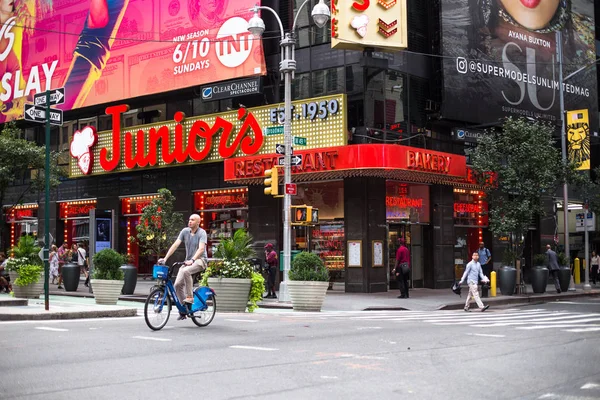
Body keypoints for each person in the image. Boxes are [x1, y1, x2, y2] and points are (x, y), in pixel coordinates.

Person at [158, 214, 208, 321]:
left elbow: (201, 249)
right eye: (189, 219)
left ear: (198, 222)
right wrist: (165, 258)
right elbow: (175, 245)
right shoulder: (185, 231)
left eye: (192, 220)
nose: (190, 221)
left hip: (200, 260)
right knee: (177, 285)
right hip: (188, 261)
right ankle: (183, 309)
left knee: (186, 271)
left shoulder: (202, 233)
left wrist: (192, 260)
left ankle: (190, 297)